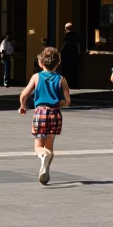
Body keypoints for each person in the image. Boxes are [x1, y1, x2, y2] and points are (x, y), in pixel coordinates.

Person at [19, 46, 71, 185]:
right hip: (55, 114)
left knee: (38, 146)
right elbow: (67, 101)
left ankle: (43, 156)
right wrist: (55, 103)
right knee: (49, 145)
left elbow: (24, 94)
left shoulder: (36, 77)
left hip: (40, 112)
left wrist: (22, 106)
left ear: (41, 63)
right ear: (58, 63)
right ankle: (45, 170)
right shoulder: (61, 79)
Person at [60, 23, 83, 89]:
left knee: (67, 71)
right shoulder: (76, 36)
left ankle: (67, 84)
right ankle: (74, 84)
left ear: (66, 28)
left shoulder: (66, 36)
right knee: (74, 70)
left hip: (67, 56)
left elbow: (63, 47)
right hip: (74, 55)